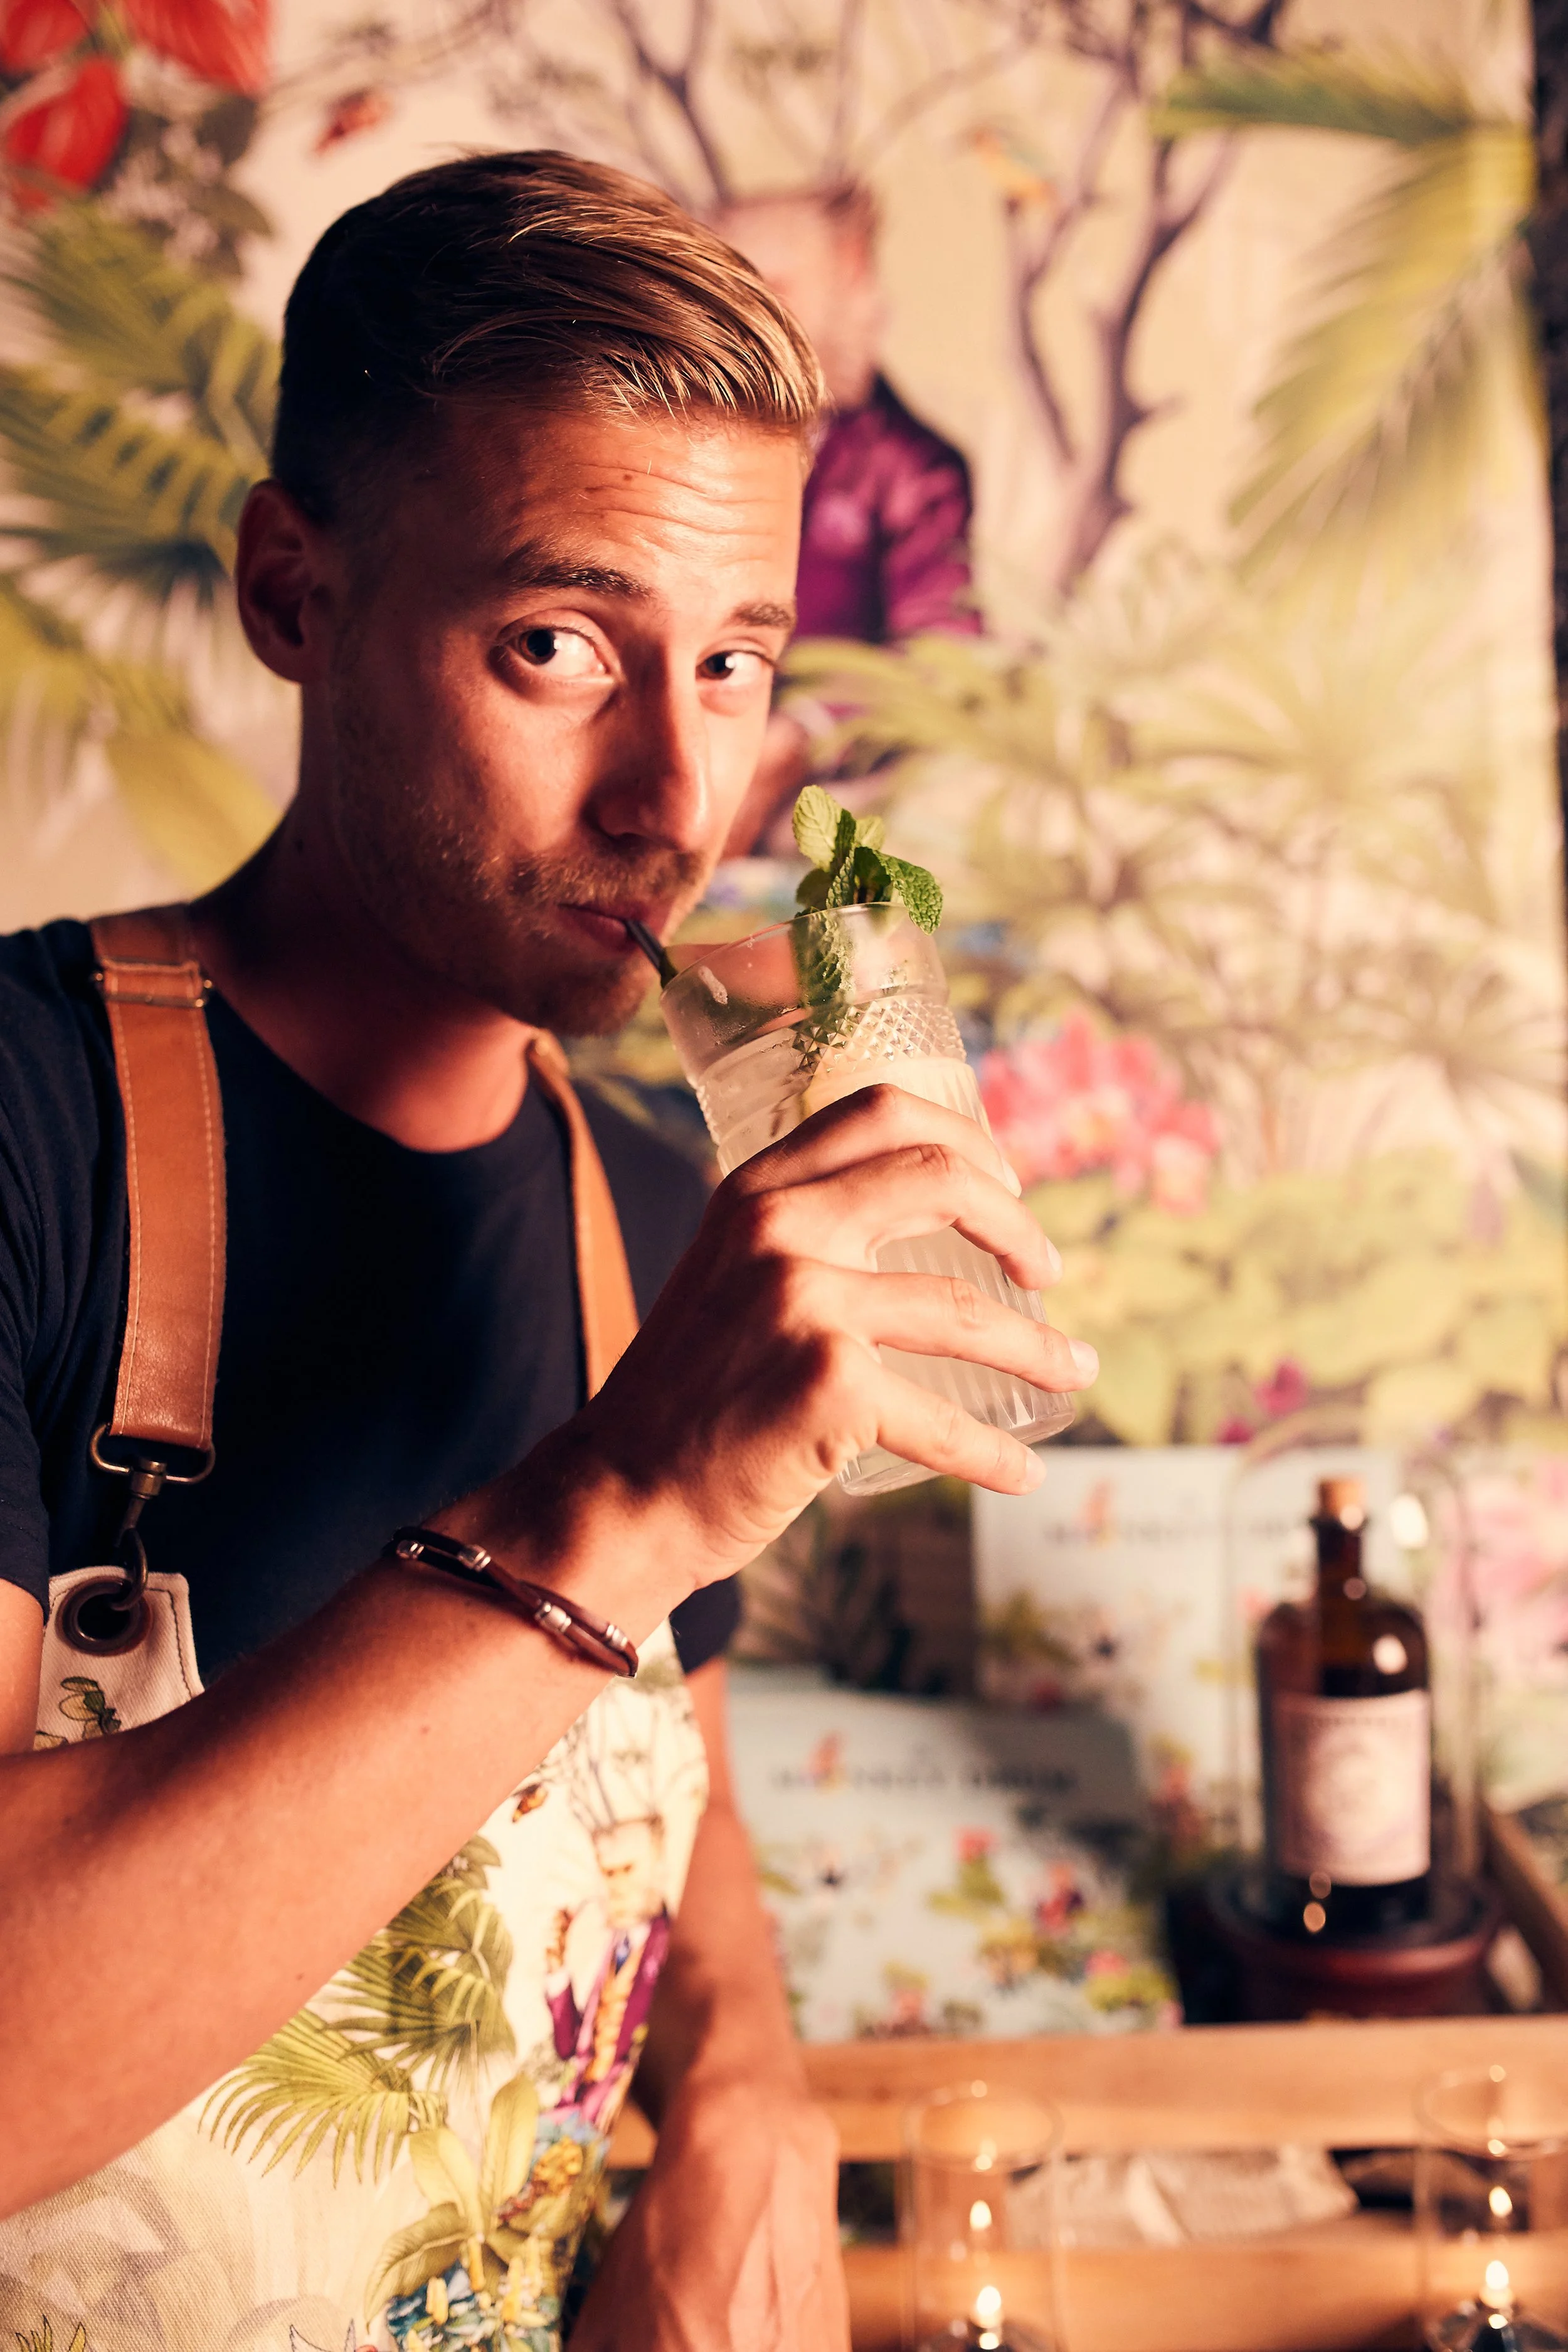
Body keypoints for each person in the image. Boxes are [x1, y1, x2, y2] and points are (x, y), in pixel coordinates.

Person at [0, 151, 1095, 2350]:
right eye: (558, 645)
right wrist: (622, 1495)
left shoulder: (656, 1205)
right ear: (294, 595)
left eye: (735, 661)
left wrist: (752, 2073)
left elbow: (662, 1777)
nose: (677, 791)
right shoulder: (28, 1122)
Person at [714, 182, 983, 856]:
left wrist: (801, 735)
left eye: (777, 288)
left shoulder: (911, 467)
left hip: (832, 789)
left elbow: (942, 656)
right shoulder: (681, 456)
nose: (748, 319)